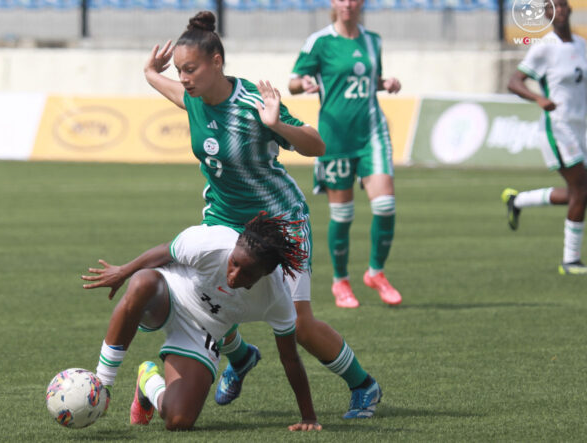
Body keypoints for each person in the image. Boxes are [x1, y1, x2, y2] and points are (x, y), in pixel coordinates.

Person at [144, 11, 383, 419]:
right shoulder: (194, 98)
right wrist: (151, 72)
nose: (184, 78)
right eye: (180, 71)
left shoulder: (255, 101)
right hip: (223, 218)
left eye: (191, 69)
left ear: (217, 61)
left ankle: (364, 386)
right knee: (208, 292)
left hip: (278, 224)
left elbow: (317, 145)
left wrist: (279, 125)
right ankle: (239, 358)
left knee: (300, 325)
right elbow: (169, 87)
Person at [82, 213, 322, 431]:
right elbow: (166, 251)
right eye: (234, 262)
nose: (234, 275)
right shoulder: (212, 242)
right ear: (235, 246)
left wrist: (309, 417)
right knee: (141, 282)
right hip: (170, 293)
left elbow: (290, 358)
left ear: (266, 273)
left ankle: (147, 381)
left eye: (247, 273)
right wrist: (123, 272)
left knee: (178, 420)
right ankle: (102, 386)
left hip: (202, 331)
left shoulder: (276, 298)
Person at [288, 0, 403, 308]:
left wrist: (385, 83)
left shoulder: (372, 40)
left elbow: (365, 80)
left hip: (372, 133)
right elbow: (293, 82)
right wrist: (305, 83)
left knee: (386, 205)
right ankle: (340, 282)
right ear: (334, 3)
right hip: (334, 136)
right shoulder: (320, 42)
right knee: (343, 214)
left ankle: (376, 272)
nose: (348, 3)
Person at [503, 0, 587, 275]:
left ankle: (518, 201)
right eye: (552, 8)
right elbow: (514, 82)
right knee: (581, 190)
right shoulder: (544, 47)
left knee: (581, 193)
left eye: (562, 6)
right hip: (558, 127)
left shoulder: (581, 45)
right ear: (546, 15)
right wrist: (538, 98)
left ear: (569, 10)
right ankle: (570, 261)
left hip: (581, 127)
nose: (558, 11)